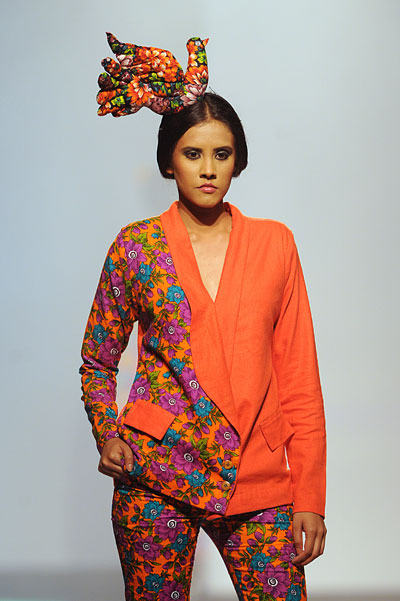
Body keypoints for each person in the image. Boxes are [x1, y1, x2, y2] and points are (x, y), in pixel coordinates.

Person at [80, 33, 327, 601]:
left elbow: (299, 379)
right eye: (193, 154)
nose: (208, 169)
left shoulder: (275, 244)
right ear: (169, 161)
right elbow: (97, 358)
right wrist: (107, 432)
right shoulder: (137, 247)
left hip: (257, 472)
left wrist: (310, 494)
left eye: (222, 154)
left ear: (239, 160)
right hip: (154, 472)